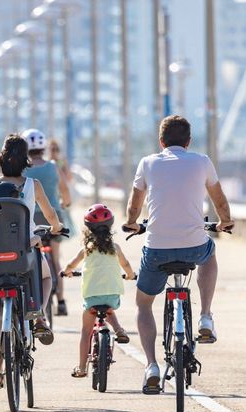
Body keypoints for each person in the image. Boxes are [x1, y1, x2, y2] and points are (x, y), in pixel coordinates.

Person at [122, 115, 234, 393]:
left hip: (157, 248)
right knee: (209, 252)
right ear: (189, 142)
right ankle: (205, 316)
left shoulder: (148, 162)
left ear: (161, 142)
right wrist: (225, 222)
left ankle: (151, 365)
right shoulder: (202, 161)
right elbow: (219, 201)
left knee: (144, 304)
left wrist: (132, 223)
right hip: (193, 244)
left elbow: (134, 206)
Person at [0, 134, 64, 389]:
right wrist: (56, 226)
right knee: (47, 278)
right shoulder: (33, 185)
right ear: (26, 161)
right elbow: (51, 213)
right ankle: (40, 314)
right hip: (24, 254)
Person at [61, 204, 136, 378]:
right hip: (112, 295)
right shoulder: (115, 248)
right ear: (110, 226)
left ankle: (81, 368)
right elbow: (125, 265)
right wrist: (130, 275)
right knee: (109, 307)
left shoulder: (86, 249)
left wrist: (67, 272)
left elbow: (71, 265)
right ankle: (118, 330)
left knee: (86, 332)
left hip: (92, 297)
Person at [22, 129, 72, 316]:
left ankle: (35, 295)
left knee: (33, 258)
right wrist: (65, 204)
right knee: (56, 260)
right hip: (54, 217)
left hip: (31, 219)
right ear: (43, 147)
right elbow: (65, 190)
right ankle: (61, 301)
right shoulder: (53, 167)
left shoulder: (23, 169)